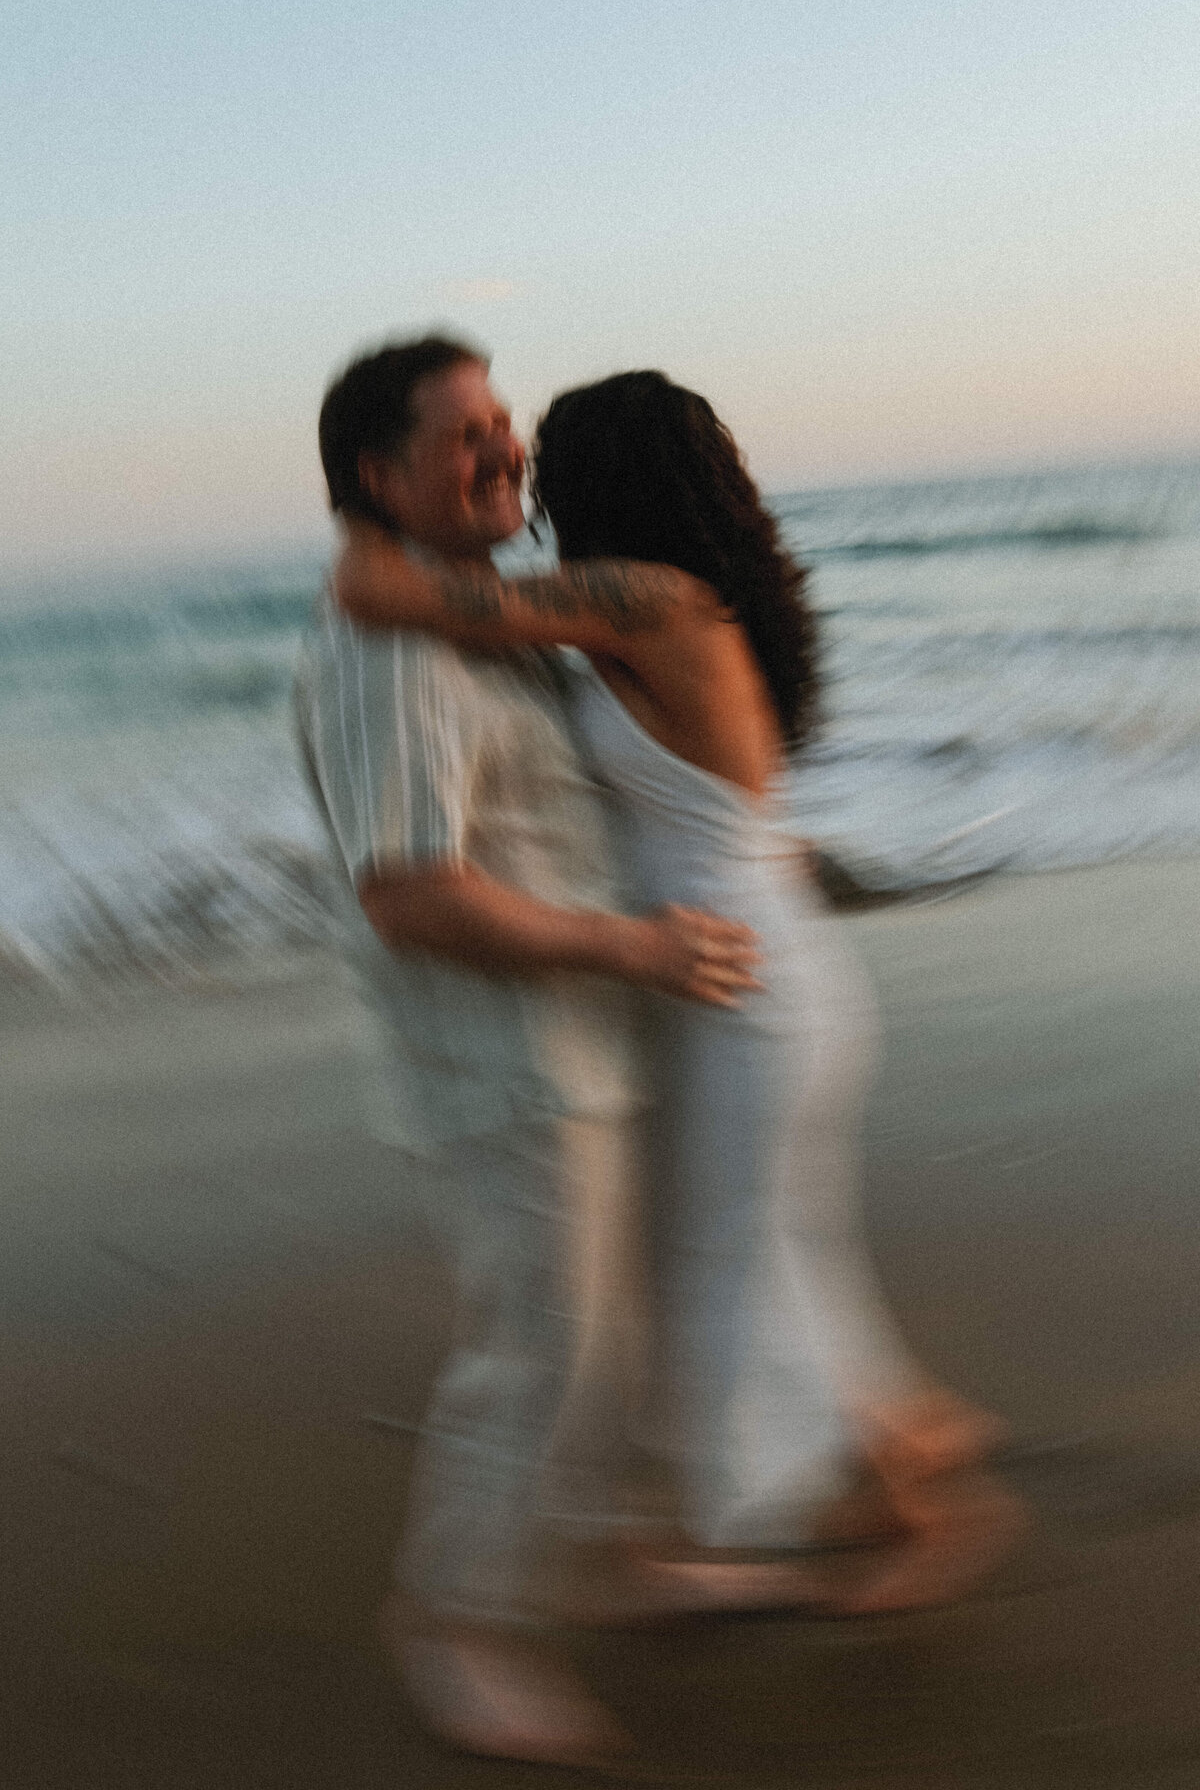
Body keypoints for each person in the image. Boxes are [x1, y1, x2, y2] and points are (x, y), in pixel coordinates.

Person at [334, 367, 1024, 1619]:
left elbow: (383, 589)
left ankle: (930, 1494)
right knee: (776, 1265)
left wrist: (373, 497)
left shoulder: (641, 597)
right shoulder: (674, 602)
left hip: (742, 992)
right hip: (763, 976)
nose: (524, 475)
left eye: (539, 453)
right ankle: (906, 1467)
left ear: (607, 475)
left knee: (742, 1272)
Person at [296, 338, 815, 1768]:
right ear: (376, 475)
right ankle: (458, 1623)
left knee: (601, 1337)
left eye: (505, 425)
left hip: (575, 1050)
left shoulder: (469, 618)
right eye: (465, 436)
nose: (505, 452)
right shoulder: (392, 651)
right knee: (536, 1350)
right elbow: (409, 894)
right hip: (500, 1068)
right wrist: (635, 951)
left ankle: (591, 1559)